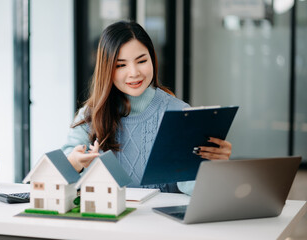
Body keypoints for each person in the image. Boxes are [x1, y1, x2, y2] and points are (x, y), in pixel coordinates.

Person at [61, 21, 232, 194]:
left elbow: (194, 187)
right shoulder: (91, 114)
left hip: (159, 220)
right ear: (106, 69)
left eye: (141, 61)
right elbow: (60, 175)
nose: (134, 72)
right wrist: (76, 161)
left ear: (152, 59)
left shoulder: (179, 113)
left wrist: (213, 167)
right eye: (121, 65)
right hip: (109, 218)